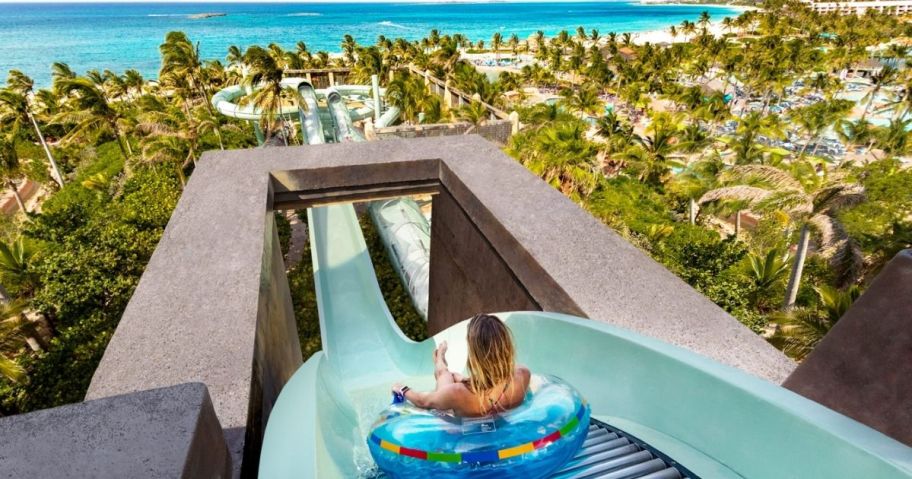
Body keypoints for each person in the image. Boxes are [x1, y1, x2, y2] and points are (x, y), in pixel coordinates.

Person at [392, 314, 531, 417]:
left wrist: (402, 389)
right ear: (506, 345)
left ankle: (439, 360)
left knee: (445, 375)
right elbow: (493, 384)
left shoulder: (456, 393)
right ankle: (445, 365)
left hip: (462, 438)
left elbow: (423, 402)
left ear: (475, 355)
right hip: (502, 432)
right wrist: (465, 381)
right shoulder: (523, 374)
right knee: (456, 378)